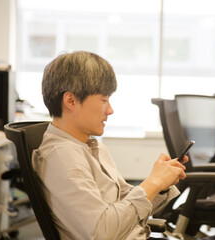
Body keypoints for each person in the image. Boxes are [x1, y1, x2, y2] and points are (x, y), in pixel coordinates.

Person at [32, 51, 188, 240]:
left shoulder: (88, 147)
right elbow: (101, 233)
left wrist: (161, 184)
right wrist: (152, 182)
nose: (110, 110)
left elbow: (126, 207)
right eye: (104, 100)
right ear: (71, 101)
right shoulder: (62, 157)